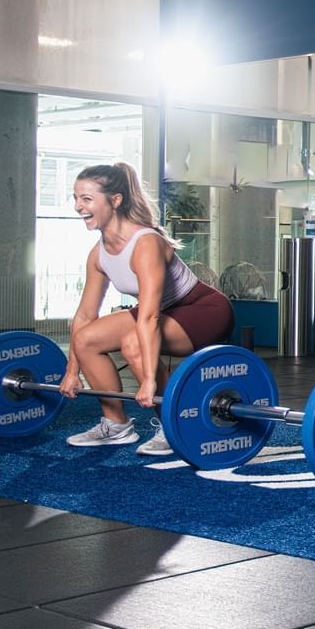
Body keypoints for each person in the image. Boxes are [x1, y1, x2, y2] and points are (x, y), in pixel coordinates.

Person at [62, 163, 236, 455]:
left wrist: (149, 381)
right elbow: (84, 316)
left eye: (87, 199)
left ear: (115, 200)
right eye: (76, 198)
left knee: (133, 343)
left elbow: (149, 316)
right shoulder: (99, 254)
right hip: (162, 312)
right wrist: (72, 371)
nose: (78, 206)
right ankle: (116, 424)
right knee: (85, 339)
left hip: (203, 309)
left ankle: (173, 424)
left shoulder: (145, 243)